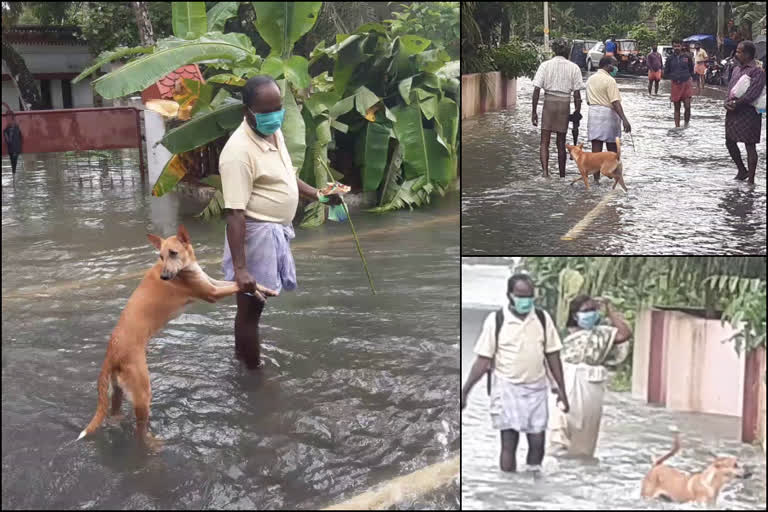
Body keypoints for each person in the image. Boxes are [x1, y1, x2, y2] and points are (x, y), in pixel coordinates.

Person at [219, 75, 344, 369]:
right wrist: (241, 269)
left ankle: (243, 363)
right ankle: (252, 375)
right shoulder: (237, 153)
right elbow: (235, 213)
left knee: (254, 310)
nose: (275, 116)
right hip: (256, 236)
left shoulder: (273, 133)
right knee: (250, 311)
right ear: (247, 112)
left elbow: (287, 176)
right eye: (266, 111)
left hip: (274, 232)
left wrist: (319, 196)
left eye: (278, 108)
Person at [461, 274, 569, 473]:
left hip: (536, 388)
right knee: (509, 442)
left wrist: (562, 390)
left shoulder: (543, 319)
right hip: (506, 387)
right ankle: (508, 488)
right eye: (521, 296)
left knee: (537, 442)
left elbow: (553, 357)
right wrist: (465, 391)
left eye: (529, 296)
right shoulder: (497, 321)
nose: (525, 300)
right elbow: (483, 360)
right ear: (510, 295)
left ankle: (531, 487)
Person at [546, 295, 632, 457]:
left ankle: (580, 466)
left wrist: (609, 310)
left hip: (590, 385)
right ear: (575, 315)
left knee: (586, 431)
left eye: (594, 310)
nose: (591, 314)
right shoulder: (562, 334)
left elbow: (625, 334)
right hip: (567, 379)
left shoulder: (602, 334)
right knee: (561, 421)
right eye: (586, 310)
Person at [531, 38, 584, 178]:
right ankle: (562, 175)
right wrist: (577, 112)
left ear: (554, 50)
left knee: (544, 141)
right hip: (564, 104)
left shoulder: (545, 65)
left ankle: (545, 173)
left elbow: (536, 90)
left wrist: (534, 112)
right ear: (568, 51)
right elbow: (577, 94)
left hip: (549, 103)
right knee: (561, 142)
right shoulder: (574, 67)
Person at [584, 56, 632, 183]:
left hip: (593, 114)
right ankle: (616, 178)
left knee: (596, 149)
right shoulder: (610, 80)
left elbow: (588, 101)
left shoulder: (590, 79)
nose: (616, 68)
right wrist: (625, 120)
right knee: (612, 149)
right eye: (615, 65)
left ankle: (596, 179)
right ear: (608, 66)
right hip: (608, 115)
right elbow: (615, 102)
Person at [724, 41, 765, 184]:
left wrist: (737, 103)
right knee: (729, 141)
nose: (736, 54)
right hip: (733, 111)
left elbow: (753, 92)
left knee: (750, 144)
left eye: (739, 52)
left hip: (749, 112)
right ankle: (742, 170)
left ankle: (751, 181)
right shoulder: (736, 69)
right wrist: (726, 102)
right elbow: (730, 88)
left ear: (747, 54)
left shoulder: (757, 71)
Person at [664, 39, 694, 127]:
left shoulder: (687, 57)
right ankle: (677, 127)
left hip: (686, 83)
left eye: (678, 46)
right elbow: (666, 72)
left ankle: (686, 124)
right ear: (673, 47)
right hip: (675, 84)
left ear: (681, 46)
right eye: (675, 46)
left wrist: (689, 77)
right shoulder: (670, 59)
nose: (677, 48)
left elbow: (691, 69)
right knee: (677, 108)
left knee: (687, 106)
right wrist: (673, 77)